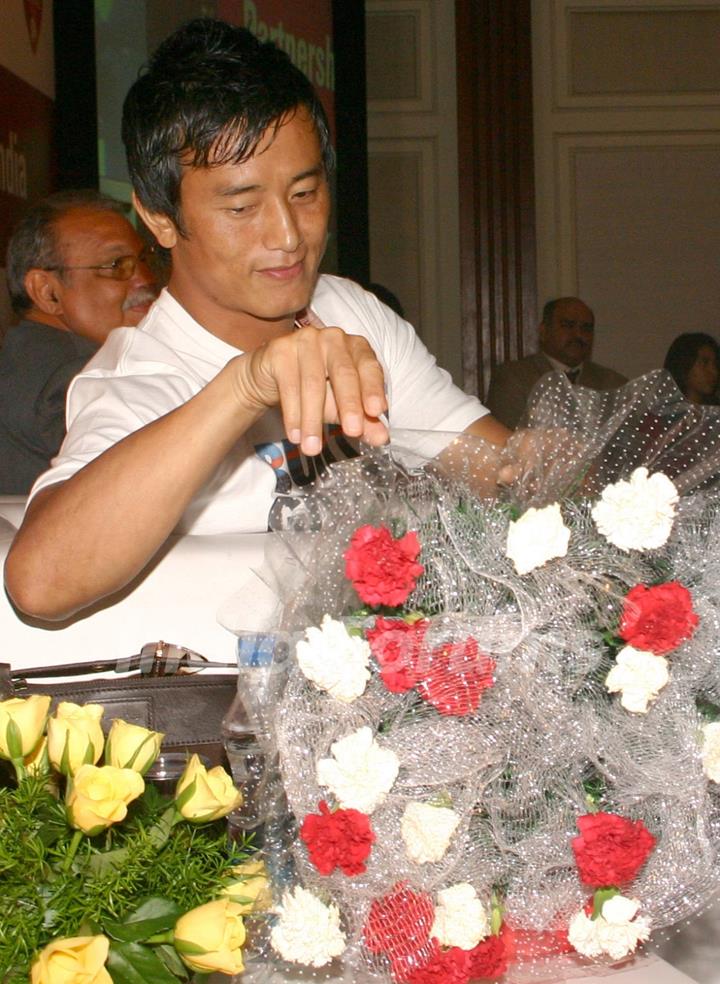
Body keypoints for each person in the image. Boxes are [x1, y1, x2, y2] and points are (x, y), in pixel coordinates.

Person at [4, 18, 508, 622]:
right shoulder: (140, 375)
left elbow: (490, 466)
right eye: (241, 207)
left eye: (304, 193)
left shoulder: (348, 309)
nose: (289, 237)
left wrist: (575, 470)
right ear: (159, 218)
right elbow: (40, 583)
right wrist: (247, 384)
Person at [0, 190, 158, 493]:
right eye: (116, 265)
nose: (144, 279)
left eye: (141, 259)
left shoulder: (26, 359)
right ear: (47, 291)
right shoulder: (72, 380)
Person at [486, 297, 628, 430]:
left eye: (586, 328)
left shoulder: (614, 384)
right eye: (567, 325)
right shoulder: (514, 377)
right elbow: (504, 440)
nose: (578, 335)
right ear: (543, 331)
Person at [663, 332, 719, 405]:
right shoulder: (660, 413)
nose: (714, 371)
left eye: (715, 364)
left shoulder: (715, 413)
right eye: (704, 363)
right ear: (684, 364)